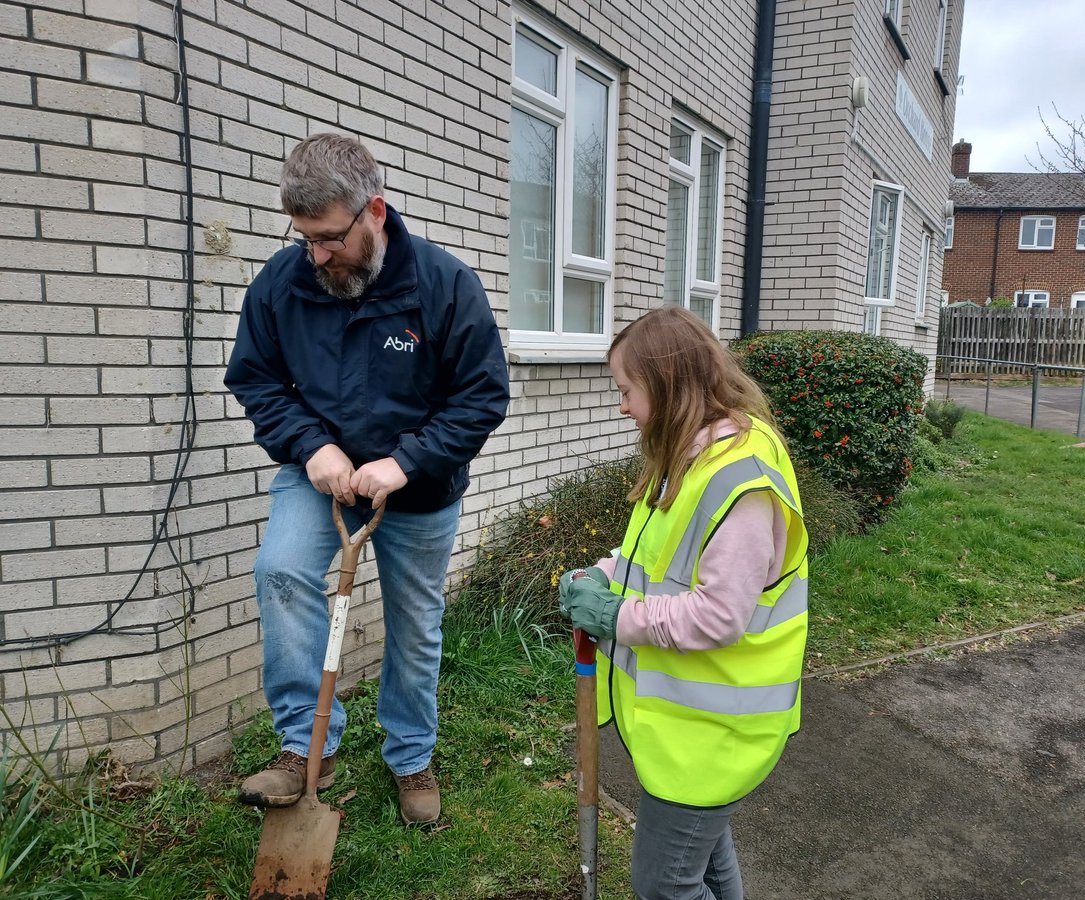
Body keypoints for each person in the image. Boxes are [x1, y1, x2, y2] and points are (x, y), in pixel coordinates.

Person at [225, 132, 509, 825]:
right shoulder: (282, 283)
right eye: (304, 240)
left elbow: (481, 397)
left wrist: (406, 459)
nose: (316, 255)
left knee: (415, 623)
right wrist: (310, 446)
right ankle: (306, 746)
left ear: (374, 211)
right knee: (281, 572)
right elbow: (256, 379)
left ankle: (410, 753)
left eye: (328, 239)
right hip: (320, 476)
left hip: (418, 487)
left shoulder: (443, 286)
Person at [558, 305, 809, 899]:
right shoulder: (688, 458)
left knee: (665, 885)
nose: (622, 407)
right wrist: (601, 575)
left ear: (666, 385)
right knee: (703, 859)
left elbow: (720, 615)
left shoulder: (739, 477)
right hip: (684, 732)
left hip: (715, 732)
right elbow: (653, 560)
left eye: (627, 390)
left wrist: (615, 617)